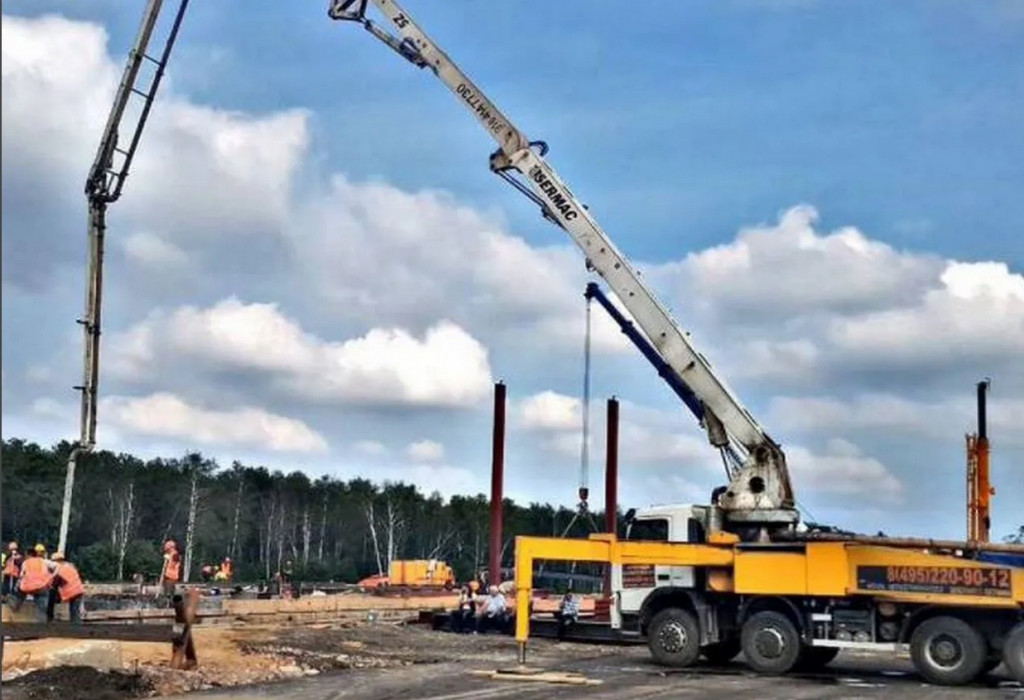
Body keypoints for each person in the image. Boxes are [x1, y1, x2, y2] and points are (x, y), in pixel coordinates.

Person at [13, 544, 53, 621]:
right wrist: (51, 577)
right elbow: (57, 567)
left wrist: (17, 585)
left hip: (28, 587)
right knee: (41, 610)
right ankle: (40, 627)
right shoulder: (44, 561)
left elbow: (21, 576)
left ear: (28, 554)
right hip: (42, 587)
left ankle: (16, 605)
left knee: (20, 593)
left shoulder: (26, 562)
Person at [46, 552, 85, 623]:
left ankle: (77, 629)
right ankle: (77, 626)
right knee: (75, 611)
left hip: (71, 591)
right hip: (78, 590)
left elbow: (54, 584)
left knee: (74, 613)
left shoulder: (58, 570)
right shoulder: (70, 566)